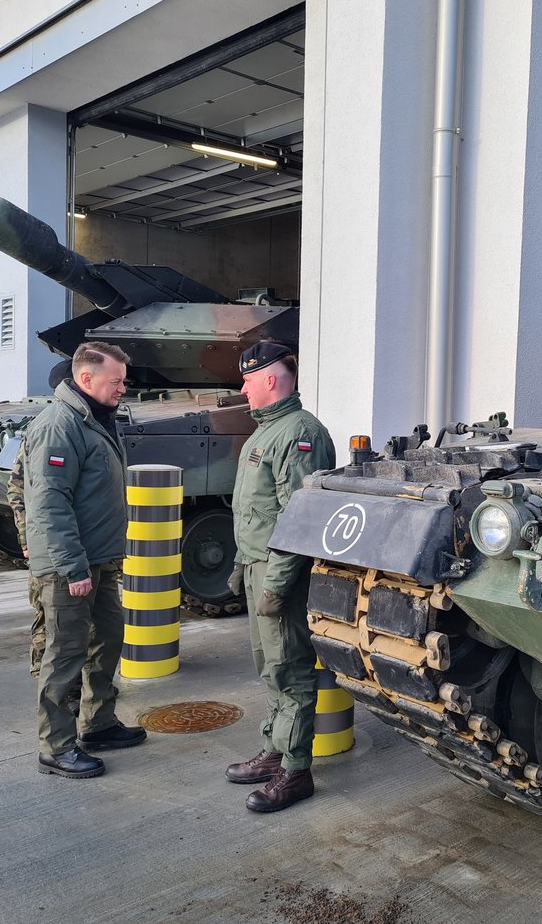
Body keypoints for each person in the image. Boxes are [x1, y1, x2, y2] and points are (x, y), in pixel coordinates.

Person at [24, 343, 145, 779]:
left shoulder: (94, 419)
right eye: (116, 381)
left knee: (108, 638)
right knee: (64, 655)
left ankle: (98, 723)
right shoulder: (60, 425)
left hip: (99, 559)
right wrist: (73, 567)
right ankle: (55, 748)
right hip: (69, 566)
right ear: (87, 379)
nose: (123, 388)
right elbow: (49, 502)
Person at [225, 341, 335, 812]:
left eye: (248, 380)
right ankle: (275, 749)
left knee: (289, 670)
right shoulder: (266, 431)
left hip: (280, 575)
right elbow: (255, 510)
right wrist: (240, 564)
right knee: (268, 666)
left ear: (269, 379)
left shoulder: (299, 433)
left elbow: (299, 517)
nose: (243, 388)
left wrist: (275, 583)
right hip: (257, 566)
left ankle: (295, 770)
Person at [8, 358, 73, 683]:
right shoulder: (54, 428)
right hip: (54, 548)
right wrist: (28, 541)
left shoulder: (45, 424)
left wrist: (25, 540)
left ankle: (52, 679)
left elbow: (16, 489)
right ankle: (56, 688)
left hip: (42, 543)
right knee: (55, 621)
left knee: (49, 617)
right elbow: (25, 492)